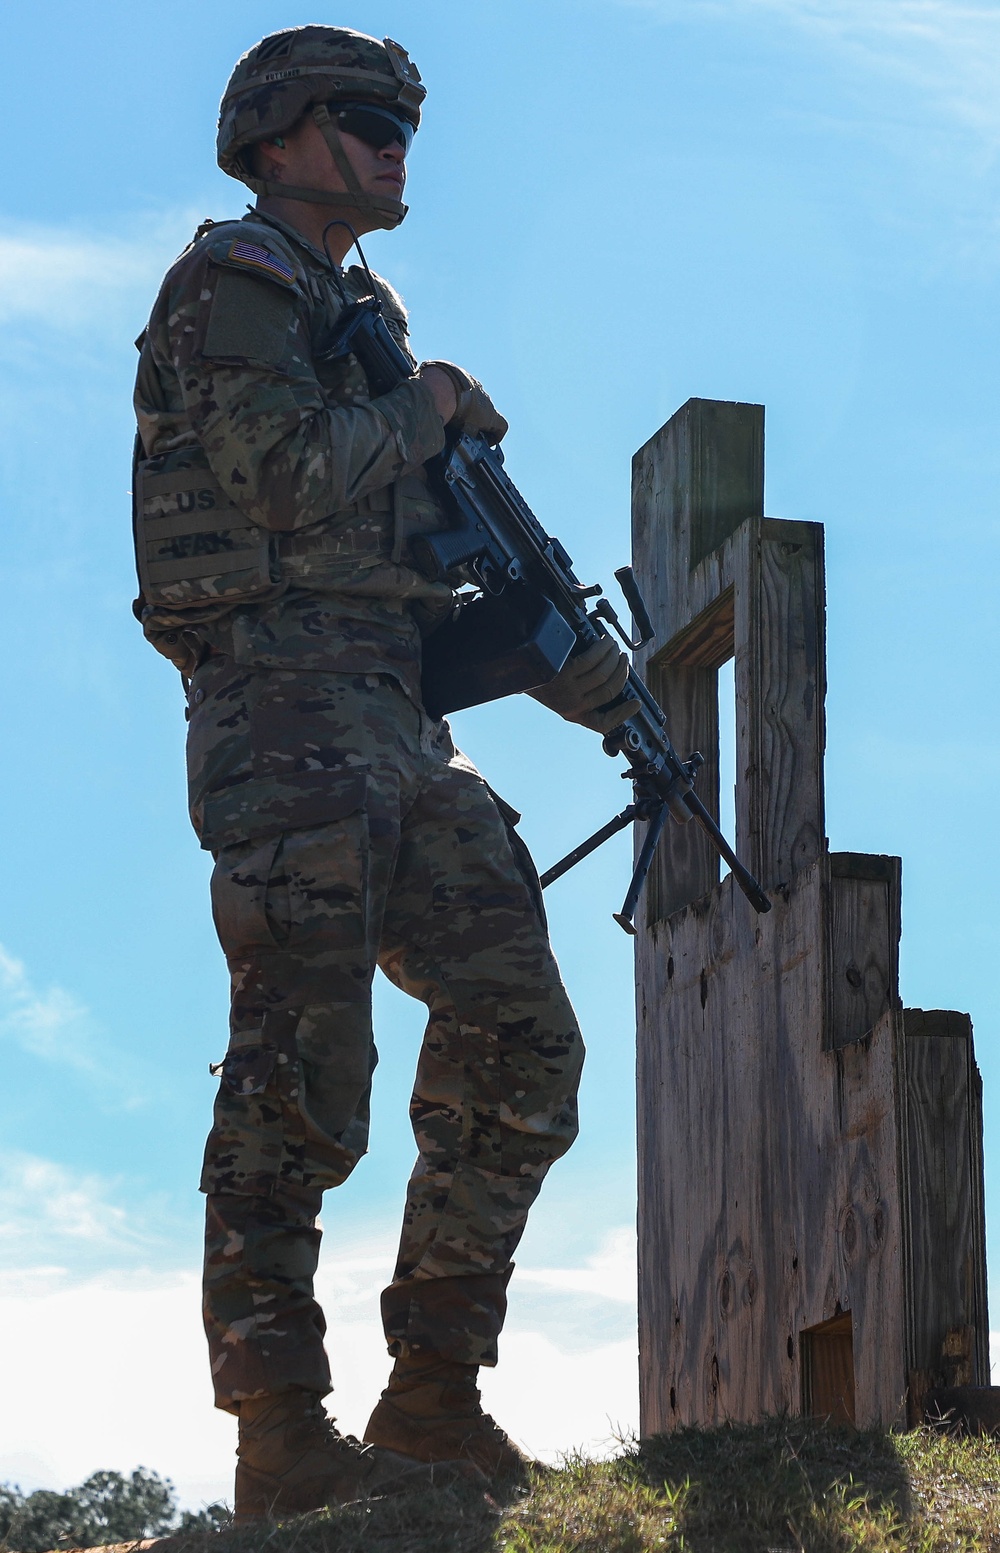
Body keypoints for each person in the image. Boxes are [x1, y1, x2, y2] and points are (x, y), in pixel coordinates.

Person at [132, 25, 635, 1524]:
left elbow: (431, 553)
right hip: (278, 709)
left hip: (402, 721)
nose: (394, 145)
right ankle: (282, 1428)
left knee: (522, 1037)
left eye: (406, 121)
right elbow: (279, 476)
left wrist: (578, 667)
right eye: (363, 118)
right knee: (305, 1076)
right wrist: (427, 415)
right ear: (277, 132)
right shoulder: (232, 283)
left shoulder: (369, 314)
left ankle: (433, 1397)